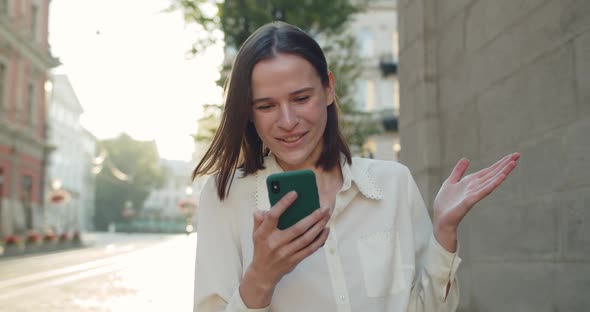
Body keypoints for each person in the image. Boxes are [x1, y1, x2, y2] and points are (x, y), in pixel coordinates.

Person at [192, 21, 520, 312]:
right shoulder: (226, 198)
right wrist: (261, 279)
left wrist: (444, 232)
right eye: (266, 106)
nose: (288, 121)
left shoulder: (394, 183)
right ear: (249, 112)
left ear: (329, 88)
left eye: (302, 98)